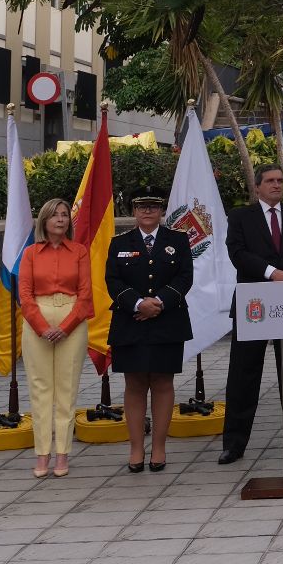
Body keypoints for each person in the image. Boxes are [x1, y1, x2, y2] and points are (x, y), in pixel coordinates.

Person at [218, 163, 283, 465]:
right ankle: (234, 443)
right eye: (270, 181)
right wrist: (270, 273)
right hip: (255, 303)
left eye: (280, 180)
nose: (277, 185)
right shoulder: (240, 217)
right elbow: (237, 253)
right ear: (257, 187)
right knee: (243, 374)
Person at [106, 194, 194, 472]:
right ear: (134, 211)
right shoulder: (119, 243)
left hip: (167, 321)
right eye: (141, 206)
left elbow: (185, 277)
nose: (147, 211)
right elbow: (112, 279)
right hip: (130, 321)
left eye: (153, 207)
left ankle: (158, 447)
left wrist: (158, 304)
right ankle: (135, 450)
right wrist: (137, 303)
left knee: (162, 383)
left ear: (161, 211)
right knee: (134, 385)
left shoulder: (177, 240)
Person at [18, 197, 94, 478]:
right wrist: (41, 326)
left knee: (66, 389)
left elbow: (86, 294)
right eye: (55, 215)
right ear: (44, 221)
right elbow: (24, 295)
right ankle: (42, 454)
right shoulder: (30, 254)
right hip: (37, 317)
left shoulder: (79, 251)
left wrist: (66, 326)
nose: (61, 219)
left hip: (71, 319)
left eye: (65, 215)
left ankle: (62, 453)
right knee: (40, 390)